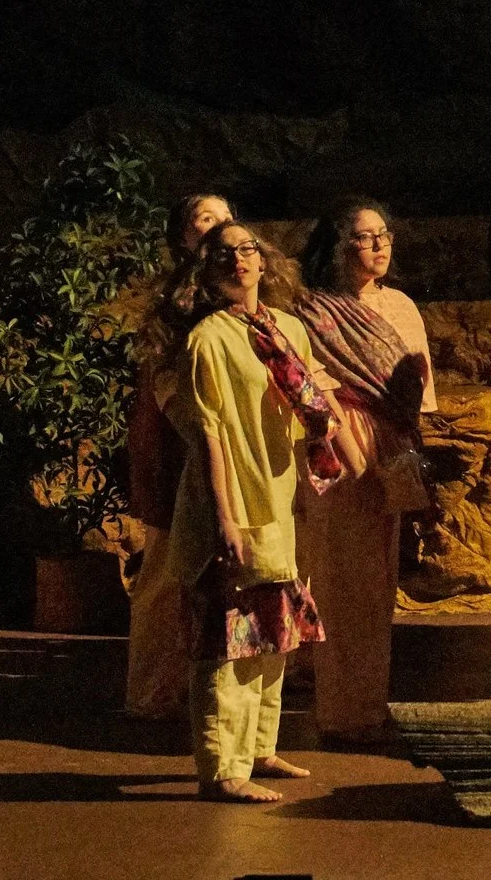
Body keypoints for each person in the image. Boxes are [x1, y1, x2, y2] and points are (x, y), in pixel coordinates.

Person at [158, 223, 343, 802]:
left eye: (248, 249)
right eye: (223, 253)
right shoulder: (207, 339)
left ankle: (260, 747)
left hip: (279, 494)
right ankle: (222, 767)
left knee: (275, 631)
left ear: (264, 262)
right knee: (230, 636)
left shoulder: (286, 329)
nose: (238, 260)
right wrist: (225, 515)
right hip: (233, 495)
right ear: (205, 269)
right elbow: (209, 432)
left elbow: (307, 407)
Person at [294, 198, 435, 744]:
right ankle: (342, 710)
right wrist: (348, 446)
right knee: (340, 574)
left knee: (378, 579)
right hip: (339, 439)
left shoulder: (400, 305)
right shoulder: (310, 310)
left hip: (391, 442)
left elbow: (417, 390)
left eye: (384, 235)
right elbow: (310, 384)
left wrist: (410, 452)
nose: (378, 245)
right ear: (336, 246)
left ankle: (368, 704)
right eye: (363, 236)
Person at [125, 193, 235, 721]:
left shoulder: (244, 291)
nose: (219, 227)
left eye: (226, 218)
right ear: (183, 235)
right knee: (168, 566)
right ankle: (152, 689)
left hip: (236, 440)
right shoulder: (177, 299)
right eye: (205, 218)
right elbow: (163, 374)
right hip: (180, 435)